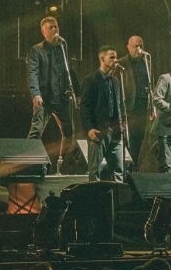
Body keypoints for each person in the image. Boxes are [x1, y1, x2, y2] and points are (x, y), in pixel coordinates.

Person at [26, 15, 77, 172]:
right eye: (51, 28)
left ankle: (62, 164)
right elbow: (32, 73)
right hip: (44, 98)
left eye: (56, 27)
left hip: (60, 98)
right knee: (36, 130)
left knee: (69, 132)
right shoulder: (37, 50)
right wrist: (35, 94)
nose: (55, 30)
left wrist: (77, 90)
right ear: (43, 32)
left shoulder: (62, 47)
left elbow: (69, 70)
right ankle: (28, 164)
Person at [79, 46, 126, 182]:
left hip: (115, 131)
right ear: (102, 58)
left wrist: (121, 124)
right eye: (112, 57)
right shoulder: (91, 80)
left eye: (116, 57)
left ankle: (118, 201)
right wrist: (89, 129)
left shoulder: (116, 81)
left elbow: (119, 104)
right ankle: (95, 201)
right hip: (99, 130)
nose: (115, 60)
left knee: (119, 170)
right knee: (95, 171)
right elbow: (85, 107)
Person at [119, 35, 154, 169]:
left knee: (139, 137)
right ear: (128, 47)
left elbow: (151, 85)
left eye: (141, 46)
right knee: (128, 137)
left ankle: (134, 166)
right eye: (135, 46)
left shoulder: (146, 61)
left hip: (142, 106)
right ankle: (126, 167)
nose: (139, 49)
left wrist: (151, 108)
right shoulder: (121, 63)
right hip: (128, 106)